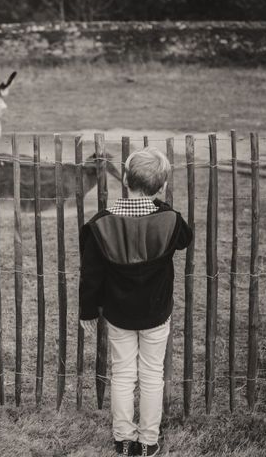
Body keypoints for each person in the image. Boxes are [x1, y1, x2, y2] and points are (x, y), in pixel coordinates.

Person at [79, 146, 193, 457]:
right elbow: (186, 238)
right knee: (152, 374)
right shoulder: (170, 220)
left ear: (126, 181)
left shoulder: (102, 223)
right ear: (162, 186)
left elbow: (90, 272)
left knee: (123, 374)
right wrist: (161, 202)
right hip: (156, 312)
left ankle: (123, 439)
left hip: (118, 313)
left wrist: (88, 310)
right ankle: (148, 442)